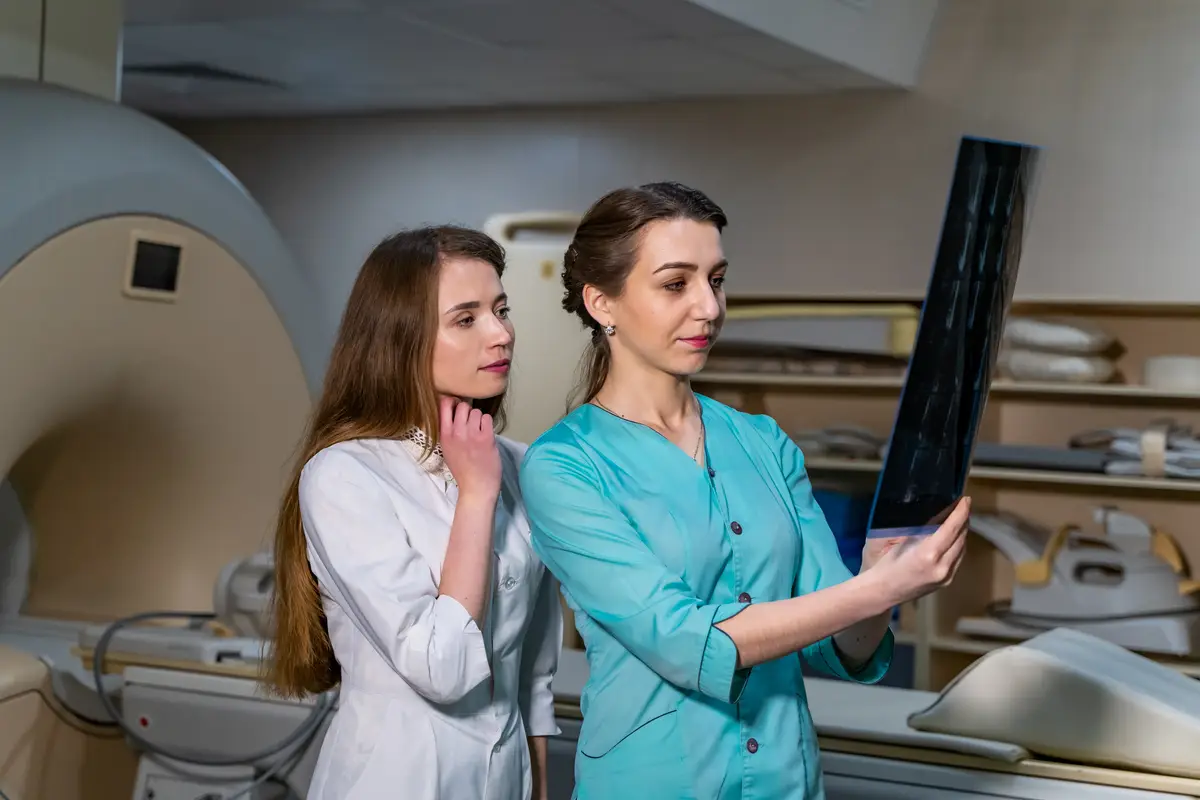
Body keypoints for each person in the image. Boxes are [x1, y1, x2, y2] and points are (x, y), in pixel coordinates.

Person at [518, 182, 970, 799]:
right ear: (603, 303)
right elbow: (684, 640)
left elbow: (848, 645)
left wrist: (878, 582)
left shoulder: (763, 442)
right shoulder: (564, 467)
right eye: (676, 284)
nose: (708, 307)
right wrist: (875, 591)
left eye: (717, 279)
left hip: (787, 782)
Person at [266, 225, 563, 800]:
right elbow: (442, 667)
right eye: (467, 318)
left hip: (504, 783)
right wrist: (477, 497)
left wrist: (538, 784)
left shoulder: (522, 466)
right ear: (402, 339)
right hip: (397, 779)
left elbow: (535, 672)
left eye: (502, 309)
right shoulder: (344, 475)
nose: (502, 334)